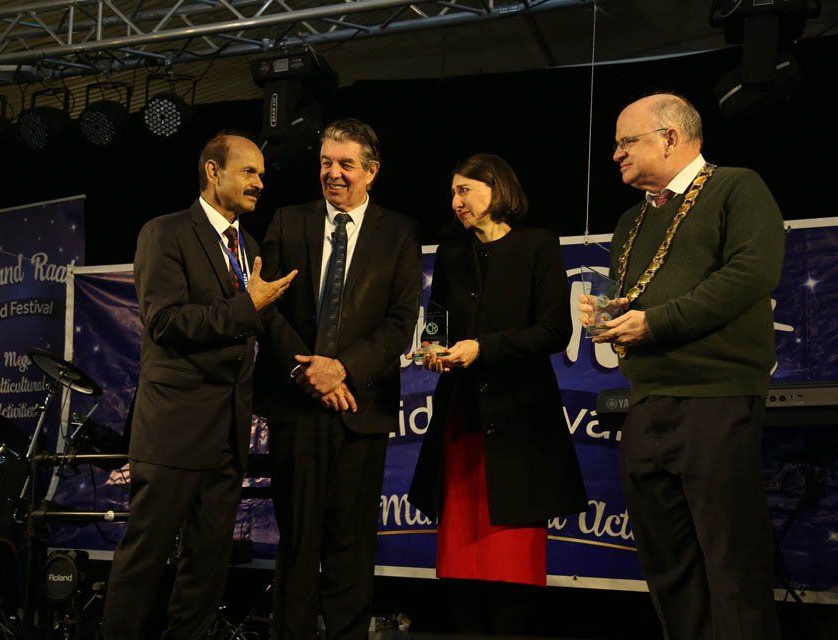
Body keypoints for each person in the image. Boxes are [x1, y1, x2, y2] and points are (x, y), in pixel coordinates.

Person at [579, 94, 783, 639]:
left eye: (627, 141)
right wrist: (609, 314)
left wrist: (656, 322)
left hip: (715, 397)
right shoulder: (630, 220)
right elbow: (633, 298)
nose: (616, 153)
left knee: (732, 565)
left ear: (670, 138)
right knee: (667, 567)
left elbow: (750, 273)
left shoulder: (736, 187)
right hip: (646, 405)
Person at [102, 133, 301, 640]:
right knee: (145, 560)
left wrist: (310, 365)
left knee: (206, 569)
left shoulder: (247, 246)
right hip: (173, 431)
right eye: (249, 172)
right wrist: (246, 307)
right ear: (214, 172)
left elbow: (263, 326)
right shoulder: (165, 233)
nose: (260, 182)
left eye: (261, 174)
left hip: (226, 436)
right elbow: (165, 322)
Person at [254, 118, 422, 640]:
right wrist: (310, 372)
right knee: (298, 543)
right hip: (297, 407)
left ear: (371, 171)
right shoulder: (287, 221)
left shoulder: (399, 233)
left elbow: (400, 322)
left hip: (359, 409)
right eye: (326, 162)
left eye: (346, 164)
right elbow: (268, 309)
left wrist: (342, 369)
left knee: (351, 545)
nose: (333, 173)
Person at [408, 154, 586, 601]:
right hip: (461, 416)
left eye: (464, 189)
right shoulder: (452, 251)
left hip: (520, 418)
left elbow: (553, 331)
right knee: (460, 557)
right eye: (452, 192)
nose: (455, 201)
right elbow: (438, 317)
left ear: (496, 189)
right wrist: (433, 348)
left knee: (513, 561)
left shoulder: (538, 245)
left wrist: (482, 348)